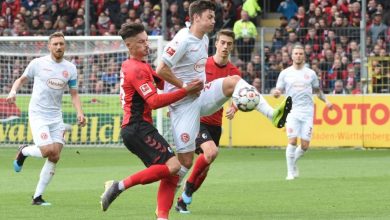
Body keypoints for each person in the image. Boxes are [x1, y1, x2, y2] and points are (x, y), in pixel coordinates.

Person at [156, 0, 292, 210]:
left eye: (213, 16)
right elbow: (161, 69)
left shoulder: (203, 40)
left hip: (201, 101)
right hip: (184, 104)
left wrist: (236, 105)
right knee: (185, 163)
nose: (214, 20)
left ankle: (273, 115)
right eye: (209, 17)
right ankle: (161, 193)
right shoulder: (183, 39)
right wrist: (183, 88)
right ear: (196, 18)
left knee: (235, 81)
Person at [99, 23, 203, 220]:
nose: (147, 45)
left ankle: (162, 217)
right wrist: (186, 90)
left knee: (173, 172)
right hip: (137, 127)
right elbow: (154, 101)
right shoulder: (136, 69)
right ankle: (118, 186)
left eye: (147, 40)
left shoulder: (139, 66)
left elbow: (162, 80)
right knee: (174, 167)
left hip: (139, 127)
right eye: (141, 42)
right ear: (129, 46)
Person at [7, 32, 86, 205]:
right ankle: (24, 151)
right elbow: (21, 80)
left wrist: (80, 112)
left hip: (56, 116)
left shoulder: (70, 68)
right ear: (49, 46)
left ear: (65, 46)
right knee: (46, 151)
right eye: (55, 44)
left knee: (55, 156)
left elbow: (74, 94)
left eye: (61, 44)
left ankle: (37, 197)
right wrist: (13, 92)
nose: (59, 47)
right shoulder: (38, 64)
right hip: (38, 114)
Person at [174, 29, 240, 213]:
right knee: (211, 152)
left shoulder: (234, 72)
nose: (225, 46)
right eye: (223, 42)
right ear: (216, 43)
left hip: (215, 124)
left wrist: (235, 107)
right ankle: (186, 187)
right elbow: (188, 83)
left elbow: (240, 96)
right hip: (196, 118)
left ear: (232, 46)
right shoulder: (203, 64)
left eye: (229, 44)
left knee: (205, 169)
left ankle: (183, 201)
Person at [271, 44, 333, 181]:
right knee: (292, 141)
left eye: (300, 53)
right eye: (296, 53)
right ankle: (289, 172)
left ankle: (293, 164)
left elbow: (317, 91)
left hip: (308, 112)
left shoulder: (310, 74)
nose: (298, 55)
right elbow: (278, 90)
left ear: (303, 56)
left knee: (304, 146)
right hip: (292, 111)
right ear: (292, 56)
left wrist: (326, 101)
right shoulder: (285, 73)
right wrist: (276, 93)